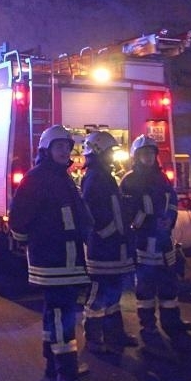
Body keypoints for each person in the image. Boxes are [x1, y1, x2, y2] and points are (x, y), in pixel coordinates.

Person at [9, 125, 93, 381]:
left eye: (67, 147)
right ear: (46, 150)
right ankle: (67, 371)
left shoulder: (60, 176)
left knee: (54, 311)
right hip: (52, 260)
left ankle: (52, 363)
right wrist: (32, 243)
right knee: (62, 314)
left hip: (66, 259)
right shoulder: (37, 178)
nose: (64, 151)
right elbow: (18, 218)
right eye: (59, 146)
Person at [120, 135, 191, 345]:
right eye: (144, 153)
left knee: (169, 284)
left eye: (151, 153)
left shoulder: (162, 178)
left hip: (164, 241)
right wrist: (149, 221)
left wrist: (170, 219)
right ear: (136, 156)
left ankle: (172, 322)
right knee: (146, 288)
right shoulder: (129, 181)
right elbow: (127, 212)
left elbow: (172, 201)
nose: (148, 157)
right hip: (143, 242)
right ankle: (148, 326)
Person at [78, 131, 138, 354]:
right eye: (110, 151)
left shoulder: (103, 175)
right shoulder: (94, 178)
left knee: (113, 294)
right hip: (102, 249)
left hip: (113, 247)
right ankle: (93, 338)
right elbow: (92, 214)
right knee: (98, 295)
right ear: (99, 152)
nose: (113, 155)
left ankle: (115, 335)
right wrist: (110, 232)